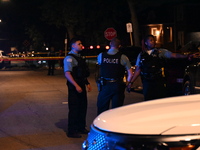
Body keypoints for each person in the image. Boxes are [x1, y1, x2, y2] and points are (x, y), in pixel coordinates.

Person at [127, 34, 192, 101]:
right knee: (148, 101)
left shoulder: (160, 52)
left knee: (159, 100)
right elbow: (138, 70)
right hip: (147, 81)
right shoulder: (141, 55)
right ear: (146, 43)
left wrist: (186, 56)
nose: (153, 42)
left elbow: (173, 55)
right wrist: (131, 82)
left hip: (158, 81)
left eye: (154, 40)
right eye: (151, 40)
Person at [63, 38, 92, 138]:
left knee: (82, 107)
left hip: (81, 84)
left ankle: (81, 127)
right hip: (74, 86)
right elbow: (67, 73)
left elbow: (82, 73)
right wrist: (76, 85)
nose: (81, 45)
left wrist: (87, 83)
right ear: (73, 46)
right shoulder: (69, 58)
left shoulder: (79, 57)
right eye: (79, 44)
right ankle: (72, 131)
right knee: (74, 108)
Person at [97, 37, 133, 115]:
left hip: (105, 85)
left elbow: (100, 68)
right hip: (118, 85)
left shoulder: (101, 56)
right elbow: (130, 73)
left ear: (110, 44)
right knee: (117, 110)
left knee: (102, 109)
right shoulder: (123, 57)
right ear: (119, 46)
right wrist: (128, 83)